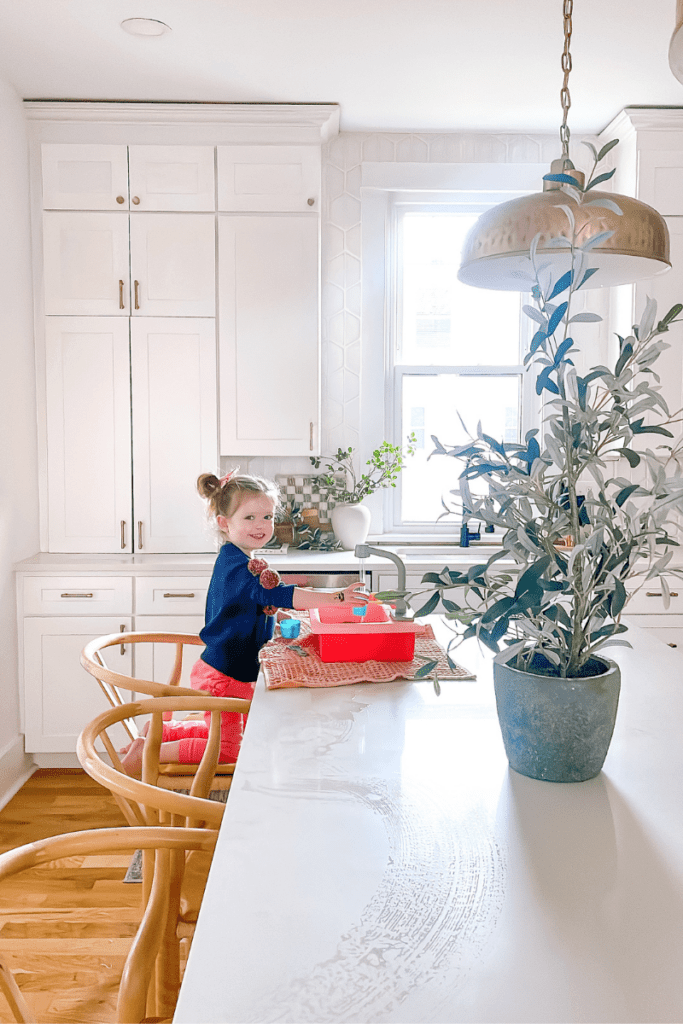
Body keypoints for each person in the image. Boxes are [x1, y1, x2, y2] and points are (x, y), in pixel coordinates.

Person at [120, 468, 369, 775]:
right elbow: (278, 595)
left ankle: (158, 732)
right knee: (226, 749)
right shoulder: (240, 568)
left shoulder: (236, 557)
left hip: (226, 668)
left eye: (267, 517)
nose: (261, 525)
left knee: (231, 732)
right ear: (225, 523)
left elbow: (254, 604)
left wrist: (275, 617)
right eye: (250, 517)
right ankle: (149, 752)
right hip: (225, 675)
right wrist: (337, 598)